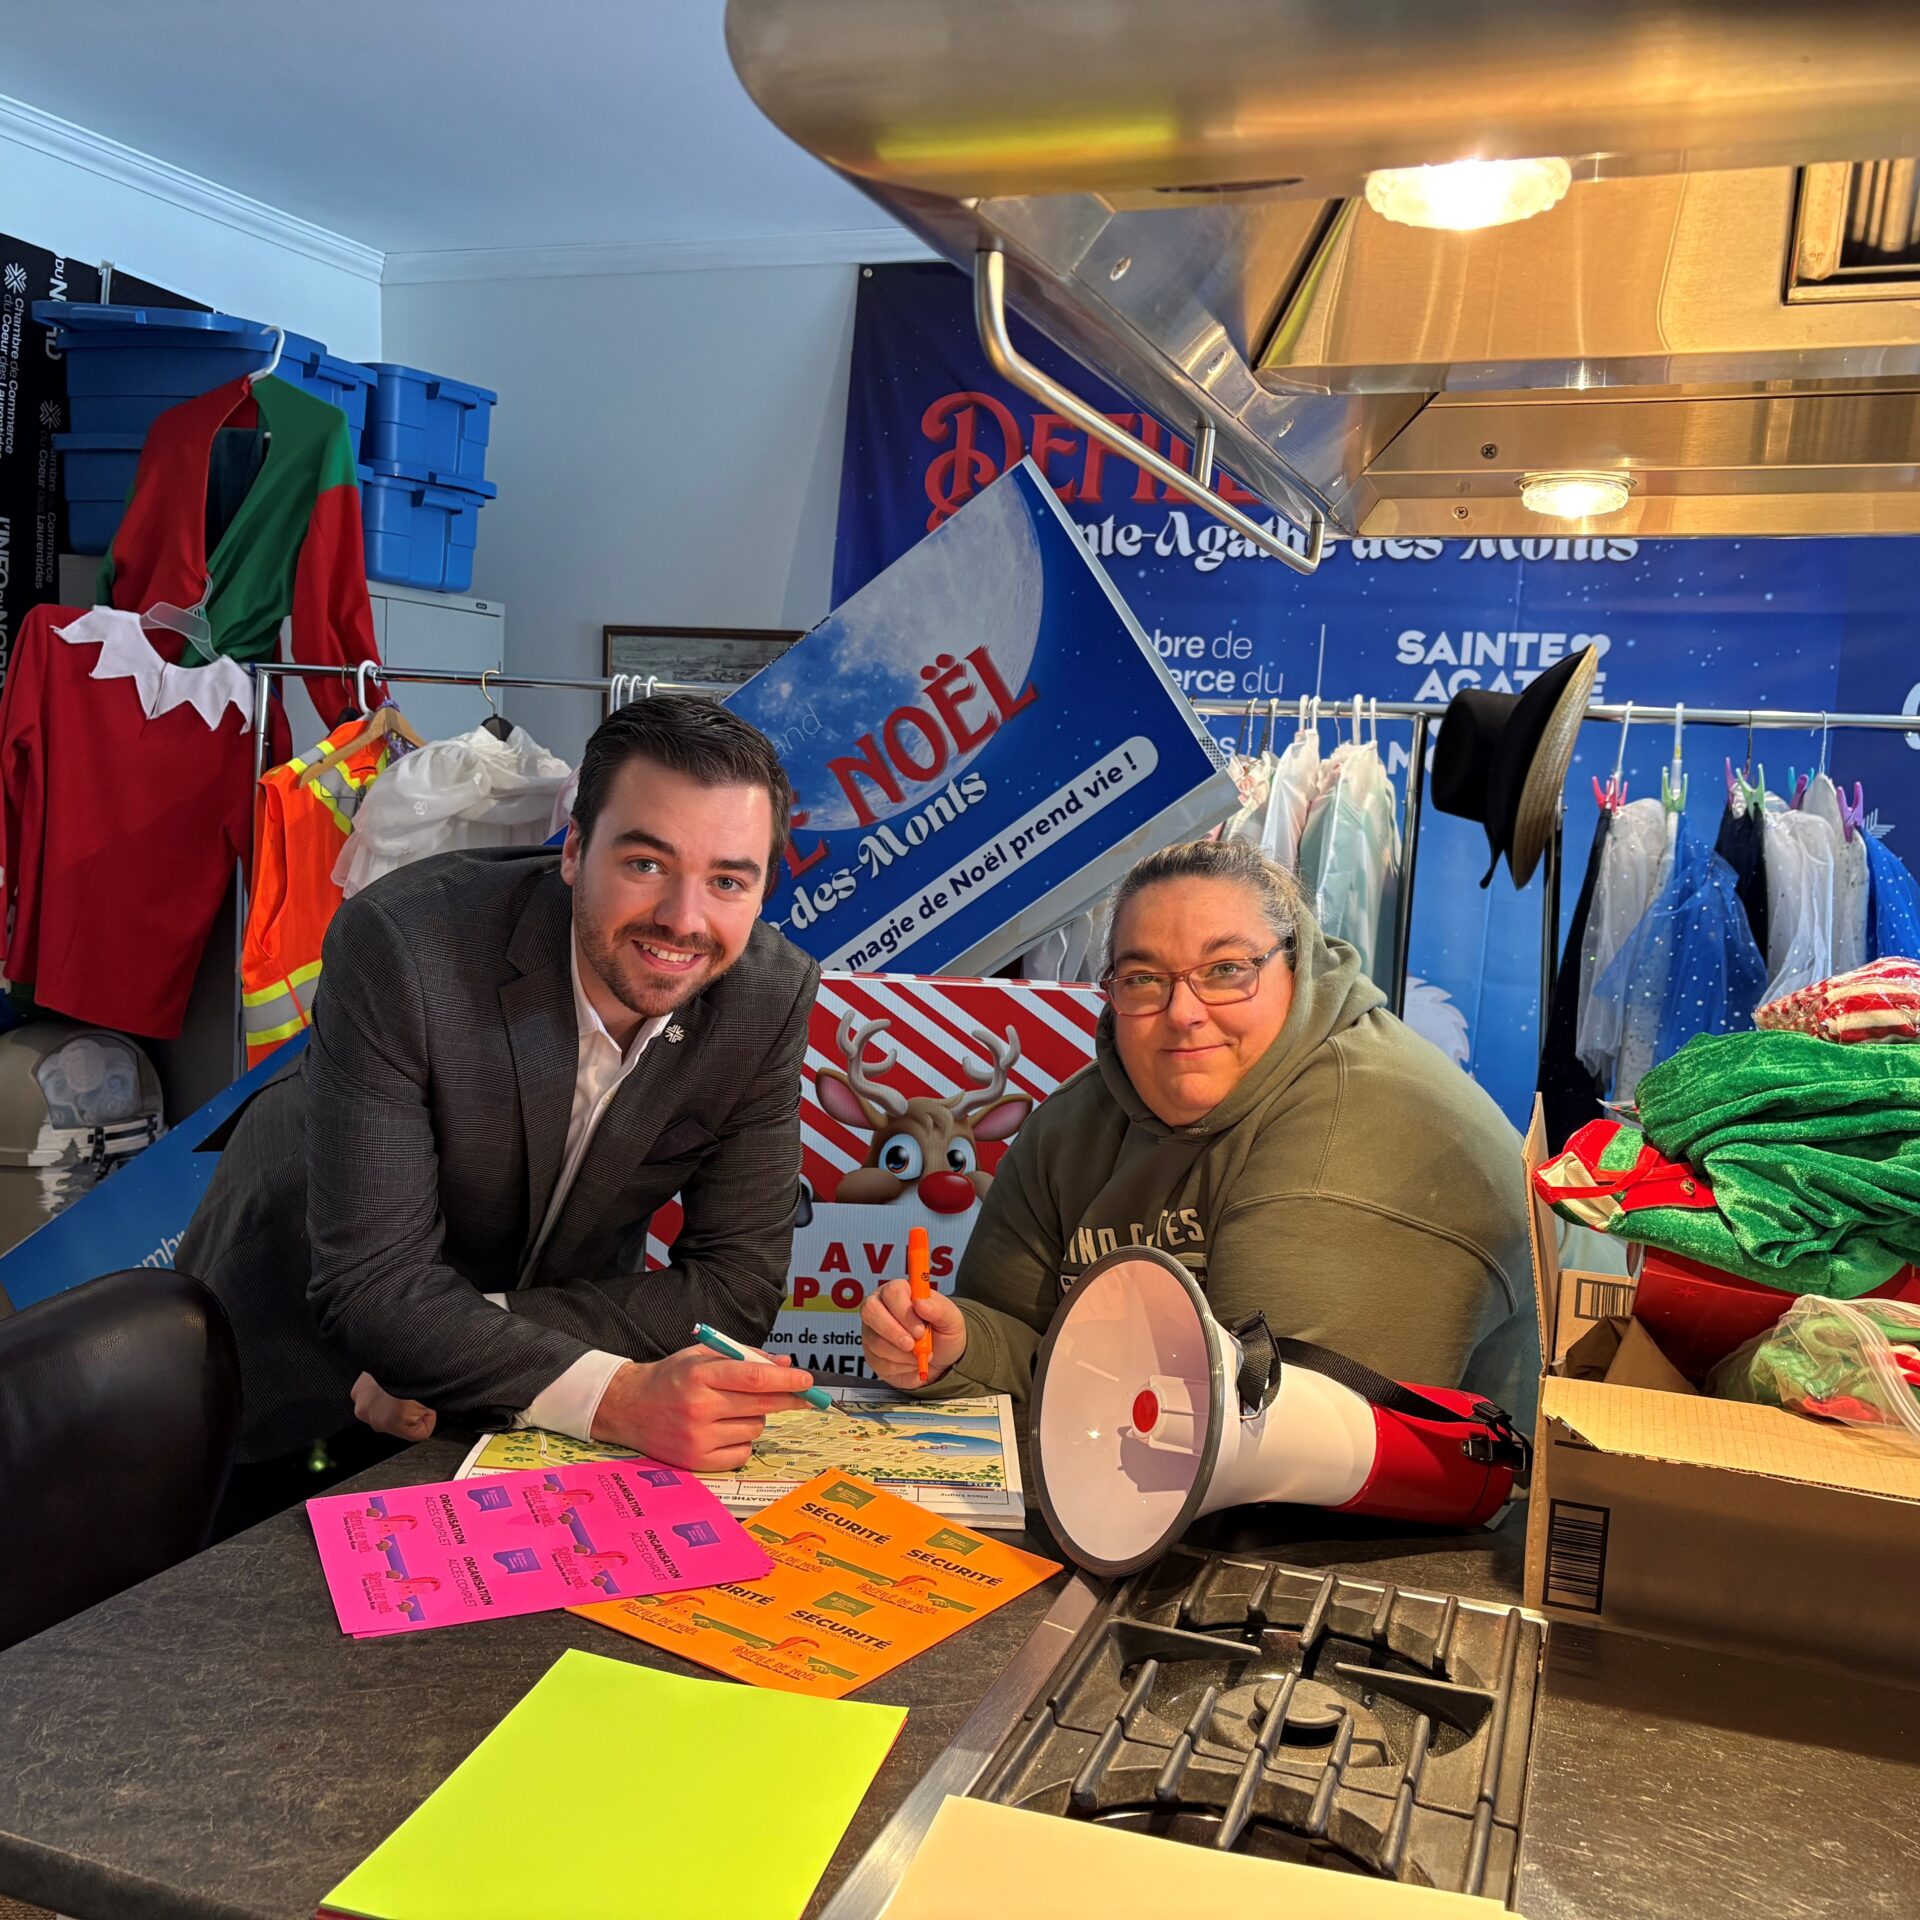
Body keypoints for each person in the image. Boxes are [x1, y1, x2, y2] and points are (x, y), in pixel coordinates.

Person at [182, 694, 822, 1485]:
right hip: (299, 1372)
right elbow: (374, 1288)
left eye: (727, 880)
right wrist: (619, 1396)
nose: (683, 920)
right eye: (646, 864)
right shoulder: (404, 944)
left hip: (537, 1393)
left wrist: (455, 1333)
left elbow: (735, 1289)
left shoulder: (768, 997)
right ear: (574, 851)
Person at [861, 837, 1536, 1426]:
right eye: (1144, 978)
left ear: (1296, 964)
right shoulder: (1074, 1122)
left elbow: (1267, 1437)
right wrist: (956, 1347)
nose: (1183, 1012)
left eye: (1225, 971)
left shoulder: (1365, 1127)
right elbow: (1018, 1333)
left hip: (1386, 1522)